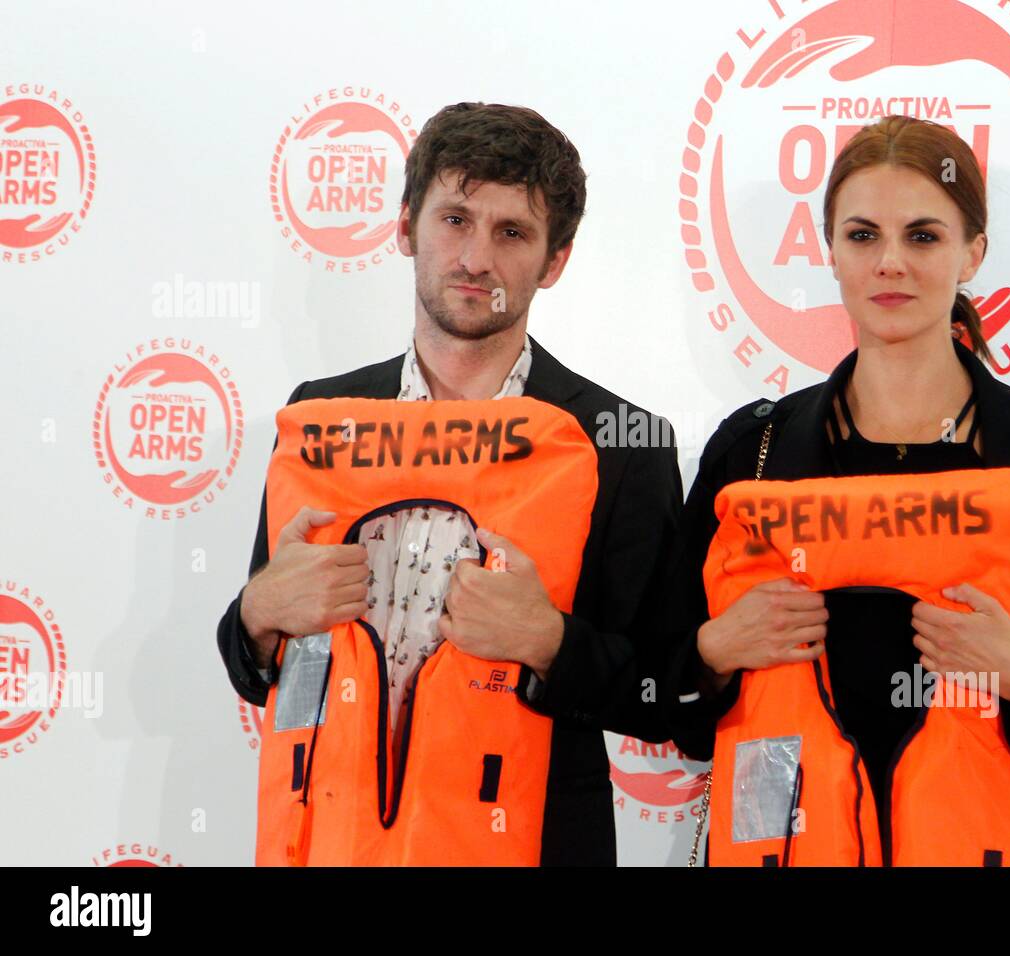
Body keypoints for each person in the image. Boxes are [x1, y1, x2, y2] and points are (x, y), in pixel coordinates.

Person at [662, 115, 1010, 867]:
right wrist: (711, 654)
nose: (890, 264)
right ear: (830, 251)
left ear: (973, 252)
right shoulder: (752, 455)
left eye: (923, 236)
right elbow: (653, 690)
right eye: (863, 235)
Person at [216, 102, 681, 866]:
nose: (475, 259)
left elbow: (666, 696)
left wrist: (551, 644)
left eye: (512, 232)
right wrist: (259, 613)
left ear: (555, 260)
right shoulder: (318, 415)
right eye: (455, 220)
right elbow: (252, 660)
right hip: (330, 840)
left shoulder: (622, 443)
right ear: (406, 227)